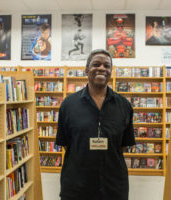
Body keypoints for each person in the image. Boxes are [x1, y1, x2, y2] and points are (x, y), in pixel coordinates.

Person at [56, 49, 136, 200]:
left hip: (113, 186)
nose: (102, 68)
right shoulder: (68, 105)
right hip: (77, 186)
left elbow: (123, 145)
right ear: (86, 70)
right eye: (96, 64)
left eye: (107, 66)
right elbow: (66, 144)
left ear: (111, 72)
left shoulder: (124, 105)